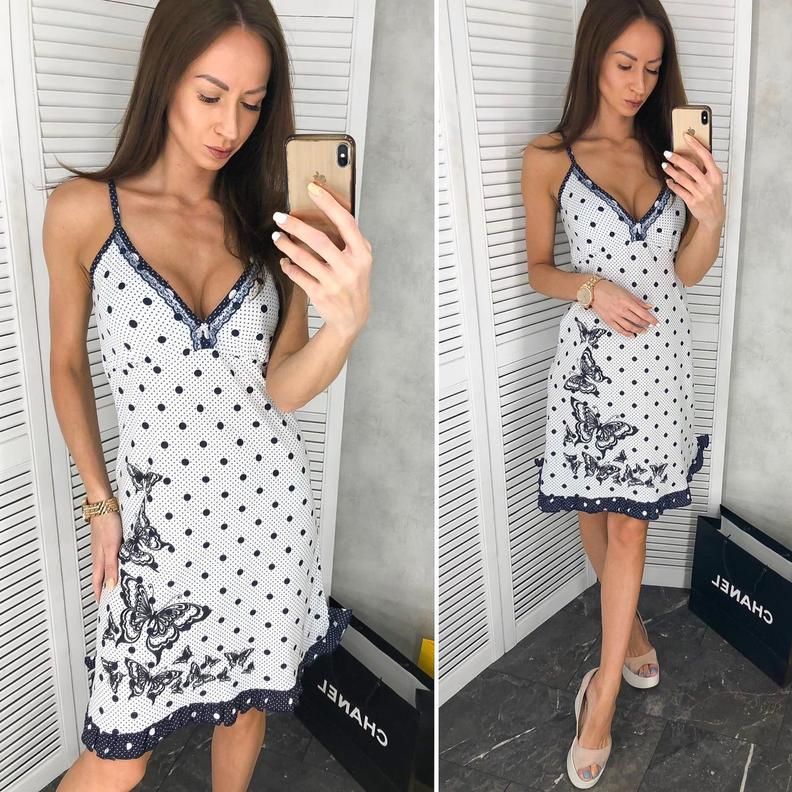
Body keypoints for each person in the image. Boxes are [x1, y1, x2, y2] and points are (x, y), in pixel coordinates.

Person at [42, 2, 372, 790]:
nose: (231, 126)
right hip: (158, 533)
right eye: (211, 95)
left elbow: (283, 387)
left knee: (246, 706)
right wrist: (100, 503)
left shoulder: (271, 222)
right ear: (165, 78)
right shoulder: (84, 211)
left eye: (253, 104)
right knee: (118, 754)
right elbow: (66, 365)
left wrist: (345, 325)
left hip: (267, 518)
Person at [521, 0, 724, 786]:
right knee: (594, 508)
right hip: (590, 370)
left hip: (661, 365)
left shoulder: (673, 154)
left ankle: (600, 698)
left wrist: (712, 215)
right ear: (593, 58)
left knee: (631, 526)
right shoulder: (550, 156)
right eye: (623, 64)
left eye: (651, 67)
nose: (639, 83)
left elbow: (686, 272)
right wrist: (591, 289)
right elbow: (539, 268)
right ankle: (630, 629)